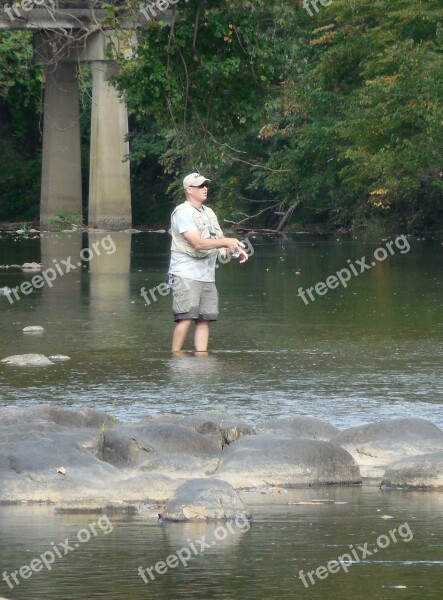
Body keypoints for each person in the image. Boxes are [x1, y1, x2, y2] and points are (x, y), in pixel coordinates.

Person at [168, 172, 249, 353]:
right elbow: (197, 243)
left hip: (207, 275)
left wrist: (236, 250)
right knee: (186, 318)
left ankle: (202, 358)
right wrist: (225, 241)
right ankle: (175, 356)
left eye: (206, 185)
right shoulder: (182, 212)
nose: (205, 188)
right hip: (185, 274)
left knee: (205, 319)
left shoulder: (209, 212)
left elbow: (220, 240)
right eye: (200, 186)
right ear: (189, 190)